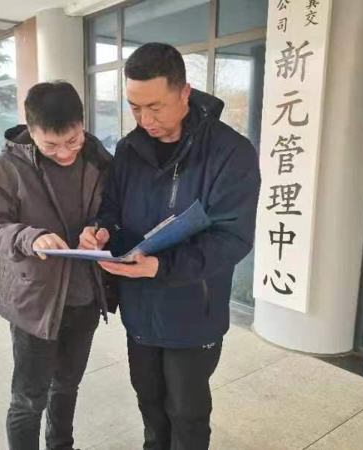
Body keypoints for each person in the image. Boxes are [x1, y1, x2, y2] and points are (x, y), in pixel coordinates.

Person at [79, 42, 261, 449]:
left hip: (193, 308)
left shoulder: (230, 153)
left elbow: (233, 239)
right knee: (150, 405)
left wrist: (162, 267)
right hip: (140, 307)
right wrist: (101, 230)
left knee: (187, 414)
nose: (145, 120)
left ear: (184, 93)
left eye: (155, 107)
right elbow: (111, 209)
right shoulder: (129, 149)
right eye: (134, 107)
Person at [0, 81, 112, 450]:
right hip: (35, 303)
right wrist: (27, 237)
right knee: (29, 398)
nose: (64, 152)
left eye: (73, 140)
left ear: (82, 124)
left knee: (67, 386)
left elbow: (112, 211)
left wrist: (99, 229)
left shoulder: (98, 160)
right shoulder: (8, 169)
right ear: (31, 131)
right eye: (51, 145)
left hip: (84, 298)